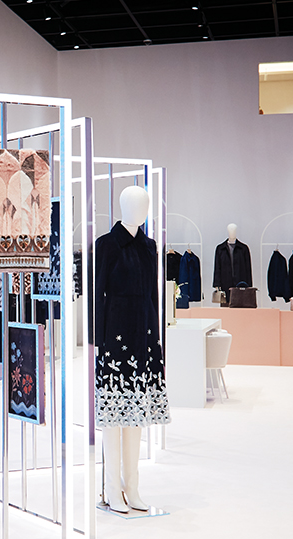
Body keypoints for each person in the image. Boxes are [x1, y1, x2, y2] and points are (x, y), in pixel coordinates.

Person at [93, 186, 171, 513]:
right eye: (136, 203)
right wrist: (98, 341)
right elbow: (97, 296)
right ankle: (112, 489)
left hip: (144, 338)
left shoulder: (149, 247)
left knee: (135, 416)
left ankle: (132, 486)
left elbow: (154, 296)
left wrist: (156, 339)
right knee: (114, 419)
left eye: (145, 204)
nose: (142, 210)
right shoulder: (106, 245)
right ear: (122, 206)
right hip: (115, 339)